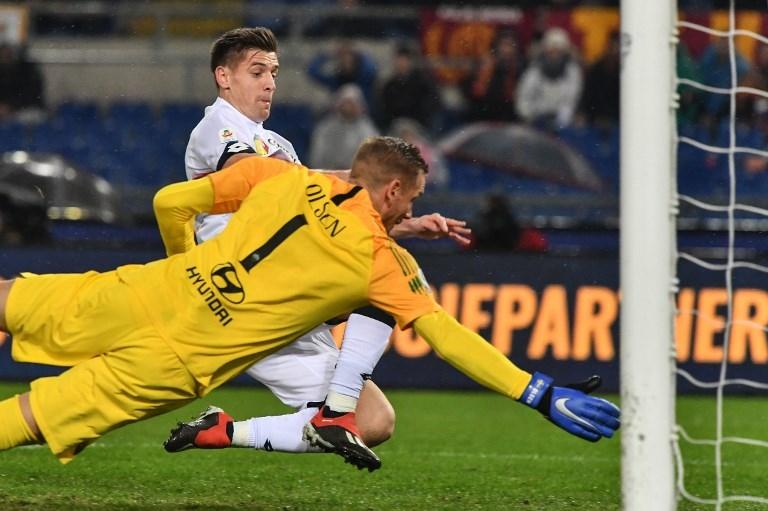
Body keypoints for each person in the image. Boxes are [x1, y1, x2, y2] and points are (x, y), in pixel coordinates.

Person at [0, 136, 621, 470]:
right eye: (409, 200)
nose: (410, 209)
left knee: (9, 299)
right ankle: (326, 414)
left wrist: (180, 264)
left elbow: (170, 202)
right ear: (395, 190)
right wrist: (535, 392)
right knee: (34, 415)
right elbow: (448, 336)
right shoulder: (382, 264)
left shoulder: (280, 175)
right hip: (177, 360)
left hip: (147, 292)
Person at [172, 27, 469, 466]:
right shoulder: (215, 128)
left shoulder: (280, 144)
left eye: (274, 72)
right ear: (224, 76)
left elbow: (320, 204)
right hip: (245, 295)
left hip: (289, 293)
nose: (270, 82)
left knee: (373, 422)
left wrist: (403, 223)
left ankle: (223, 431)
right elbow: (255, 177)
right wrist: (362, 184)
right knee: (376, 278)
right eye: (257, 71)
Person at [515, 28, 583, 130]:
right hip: (535, 120)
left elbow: (571, 100)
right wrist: (529, 115)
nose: (554, 53)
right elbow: (523, 97)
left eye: (558, 50)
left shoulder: (573, 71)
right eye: (551, 50)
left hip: (561, 123)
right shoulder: (534, 69)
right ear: (545, 50)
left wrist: (562, 120)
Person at [308, 83, 379, 169]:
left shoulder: (368, 129)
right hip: (329, 174)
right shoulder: (325, 128)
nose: (348, 107)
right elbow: (316, 156)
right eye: (345, 103)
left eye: (351, 103)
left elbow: (372, 159)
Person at [377, 42, 441, 133]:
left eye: (405, 59)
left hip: (419, 126)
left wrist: (414, 120)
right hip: (396, 126)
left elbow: (431, 105)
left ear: (411, 61)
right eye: (399, 59)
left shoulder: (424, 82)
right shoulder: (390, 85)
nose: (401, 63)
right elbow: (385, 111)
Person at [463, 30, 521, 123]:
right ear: (497, 46)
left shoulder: (517, 68)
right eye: (504, 45)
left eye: (511, 45)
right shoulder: (484, 65)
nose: (507, 50)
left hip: (506, 119)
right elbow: (470, 89)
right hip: (480, 116)